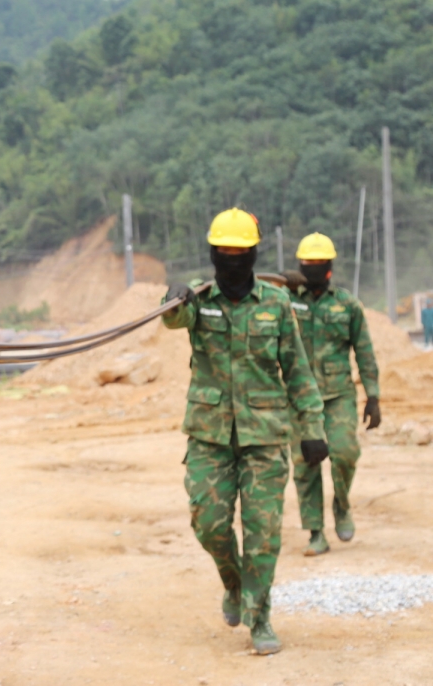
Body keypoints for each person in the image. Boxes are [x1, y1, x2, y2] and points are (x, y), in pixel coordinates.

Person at [162, 208, 327, 656]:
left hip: (266, 436)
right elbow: (173, 320)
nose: (232, 260)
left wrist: (312, 427)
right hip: (210, 436)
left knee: (263, 533)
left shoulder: (275, 304)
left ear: (253, 253)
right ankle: (233, 585)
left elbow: (298, 371)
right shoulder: (200, 299)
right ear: (213, 254)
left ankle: (259, 615)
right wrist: (173, 299)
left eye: (240, 252)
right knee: (210, 525)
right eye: (224, 252)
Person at [282, 233, 381, 556]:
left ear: (329, 267)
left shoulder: (347, 305)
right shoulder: (286, 298)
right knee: (306, 464)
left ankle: (341, 505)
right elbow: (254, 286)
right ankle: (315, 533)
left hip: (338, 394)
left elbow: (364, 353)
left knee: (344, 453)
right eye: (305, 265)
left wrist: (374, 396)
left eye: (317, 264)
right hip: (299, 398)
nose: (310, 270)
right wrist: (282, 281)